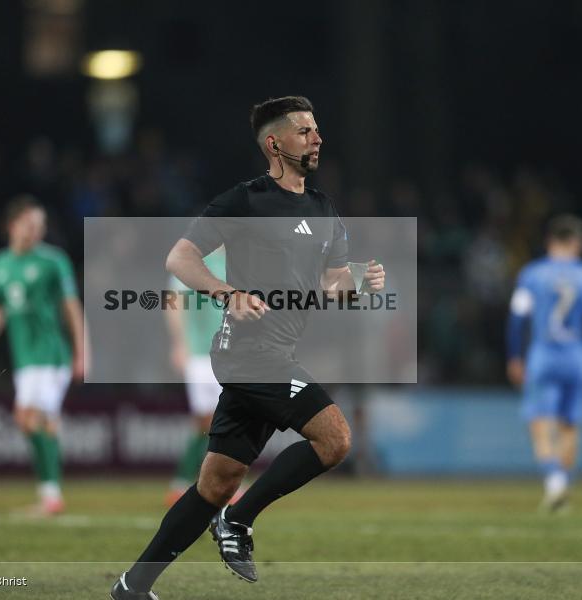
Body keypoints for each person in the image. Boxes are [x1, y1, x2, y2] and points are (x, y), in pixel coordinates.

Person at [111, 96, 385, 599]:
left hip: (277, 352)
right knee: (336, 439)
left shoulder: (324, 209)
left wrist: (362, 283)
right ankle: (236, 522)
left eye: (317, 130)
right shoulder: (245, 200)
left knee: (214, 484)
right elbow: (180, 257)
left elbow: (331, 284)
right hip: (248, 354)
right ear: (274, 144)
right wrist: (227, 292)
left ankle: (133, 586)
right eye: (305, 131)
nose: (317, 138)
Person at [0, 196, 86, 516]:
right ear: (12, 225)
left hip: (51, 354)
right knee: (37, 423)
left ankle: (51, 496)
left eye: (40, 226)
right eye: (30, 224)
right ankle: (50, 494)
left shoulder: (53, 262)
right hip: (24, 359)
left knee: (29, 418)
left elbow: (71, 308)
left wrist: (82, 353)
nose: (36, 231)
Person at [506, 214, 582, 513]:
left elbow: (517, 320)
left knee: (540, 425)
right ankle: (563, 487)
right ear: (576, 242)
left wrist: (514, 355)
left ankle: (554, 482)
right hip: (578, 355)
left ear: (550, 240)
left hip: (544, 354)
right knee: (570, 426)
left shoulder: (533, 274)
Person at [164, 245, 245, 506]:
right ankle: (191, 482)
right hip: (200, 354)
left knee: (224, 419)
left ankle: (215, 482)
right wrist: (179, 343)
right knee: (206, 421)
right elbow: (173, 301)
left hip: (228, 354)